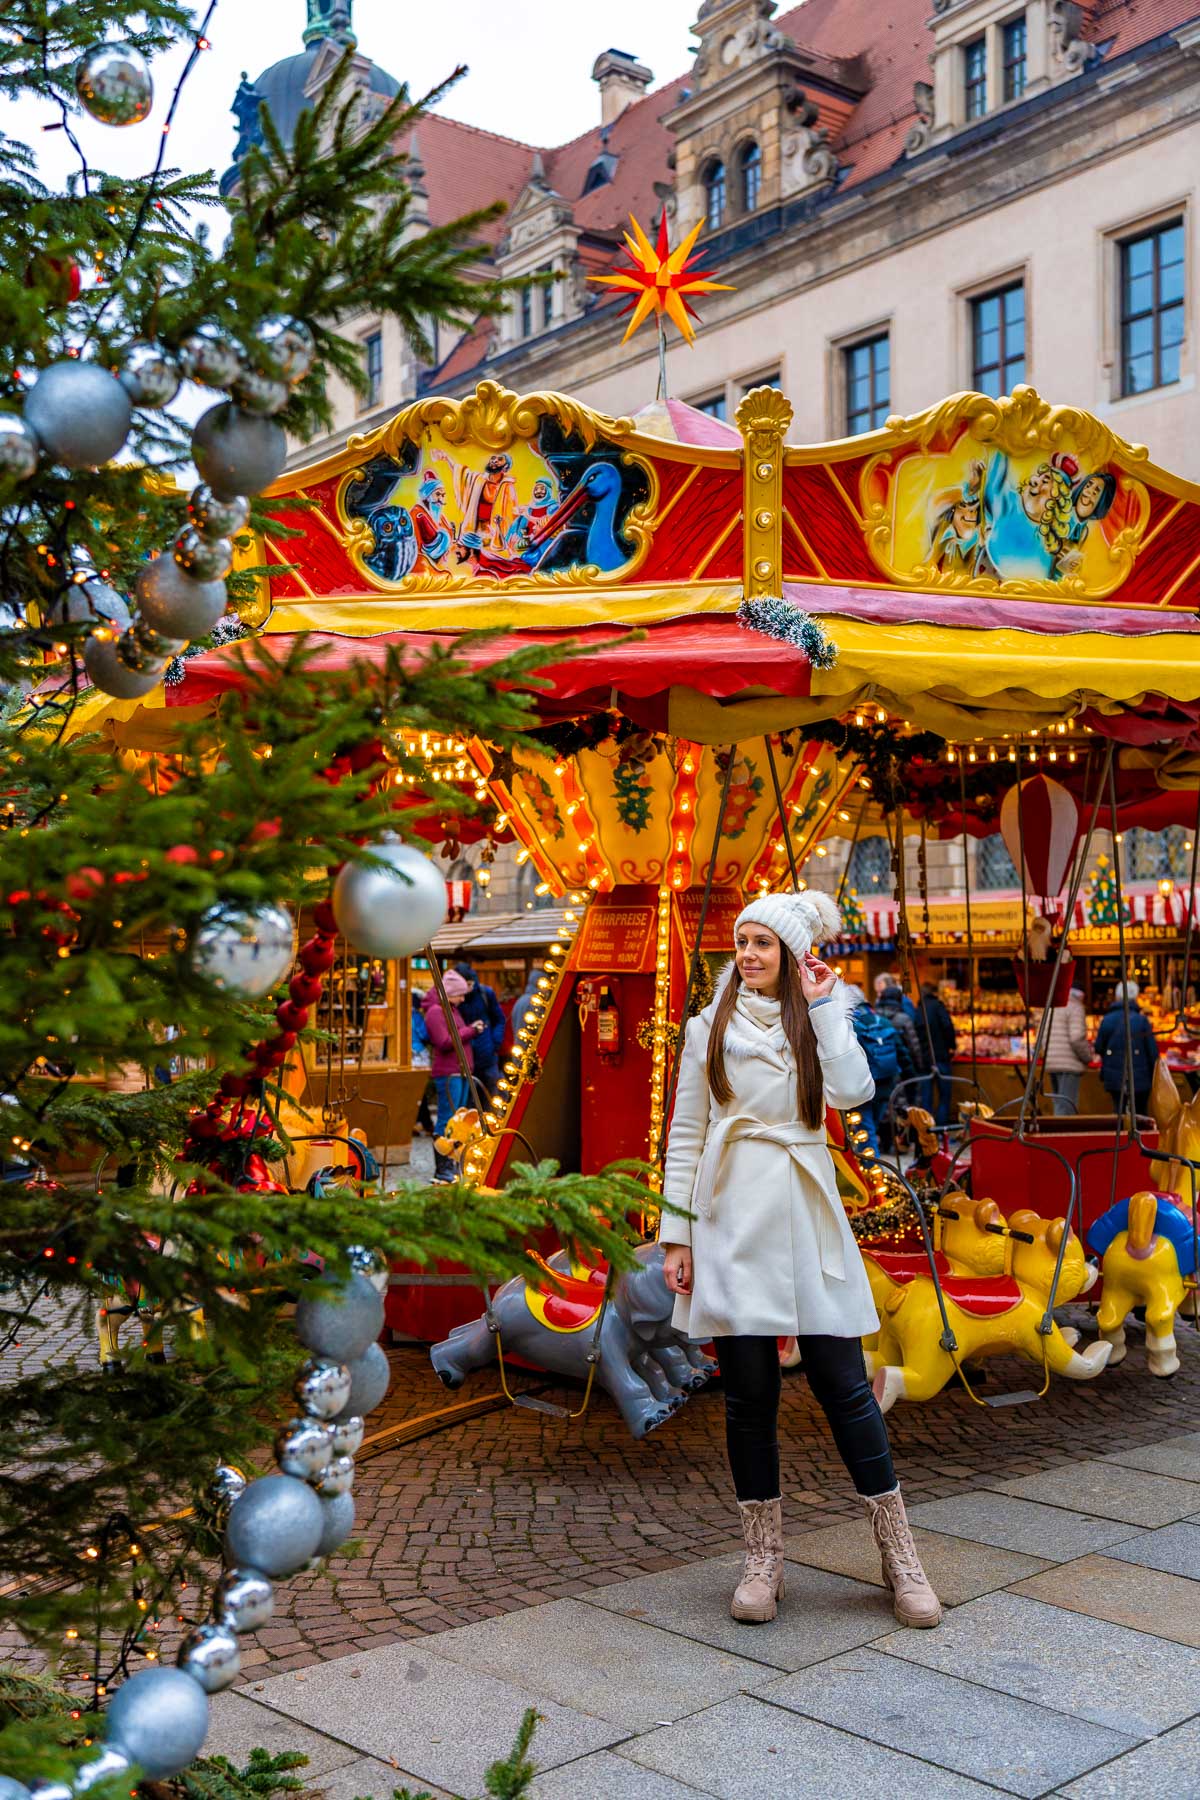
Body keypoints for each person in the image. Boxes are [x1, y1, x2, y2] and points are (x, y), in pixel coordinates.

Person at [658, 888, 941, 1630]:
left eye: (764, 943)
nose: (748, 954)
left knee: (842, 1382)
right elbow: (686, 1132)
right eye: (742, 941)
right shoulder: (705, 1028)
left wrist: (823, 1006)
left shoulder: (818, 1017)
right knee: (749, 1391)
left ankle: (899, 1555)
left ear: (789, 954)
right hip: (728, 1215)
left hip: (805, 1209)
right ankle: (763, 1560)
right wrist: (677, 1234)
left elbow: (854, 1092)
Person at [423, 969, 483, 1181]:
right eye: (459, 993)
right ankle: (442, 1168)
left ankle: (452, 1163)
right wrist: (471, 1031)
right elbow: (445, 1042)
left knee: (458, 1120)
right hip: (449, 1073)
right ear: (448, 993)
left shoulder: (452, 1010)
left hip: (460, 1071)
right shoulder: (436, 1012)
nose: (463, 997)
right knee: (446, 1120)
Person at [846, 984, 901, 1154]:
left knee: (865, 1131)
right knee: (871, 1127)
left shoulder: (850, 1023)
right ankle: (868, 1165)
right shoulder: (883, 1021)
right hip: (887, 1082)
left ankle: (872, 1174)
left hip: (864, 1083)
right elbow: (903, 1052)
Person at [1095, 979, 1160, 1121]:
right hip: (1140, 1078)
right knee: (1141, 1114)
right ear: (1136, 997)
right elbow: (1153, 1053)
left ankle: (1121, 1141)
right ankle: (1141, 1141)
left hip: (1114, 1077)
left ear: (1117, 997)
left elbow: (1098, 1047)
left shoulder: (1107, 1020)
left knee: (1119, 1113)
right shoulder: (1141, 1021)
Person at [454, 961, 506, 1105]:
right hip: (466, 1059)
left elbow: (499, 1019)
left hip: (487, 1057)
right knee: (469, 1104)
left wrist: (494, 1043)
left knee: (491, 1100)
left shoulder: (485, 993)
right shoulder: (455, 999)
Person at [1045, 984, 1092, 1115]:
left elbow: (1041, 1036)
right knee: (1067, 1107)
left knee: (1058, 1104)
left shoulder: (1053, 1007)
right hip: (1069, 1064)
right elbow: (1076, 1038)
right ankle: (1061, 1134)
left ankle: (1056, 1132)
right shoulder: (1075, 1008)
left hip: (1051, 1062)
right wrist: (1087, 1057)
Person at [917, 981, 957, 1128]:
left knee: (926, 1097)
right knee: (944, 1095)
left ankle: (928, 1129)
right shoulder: (938, 1007)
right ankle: (941, 1129)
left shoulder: (918, 1009)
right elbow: (947, 1026)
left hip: (924, 1058)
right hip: (940, 1056)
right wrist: (951, 1046)